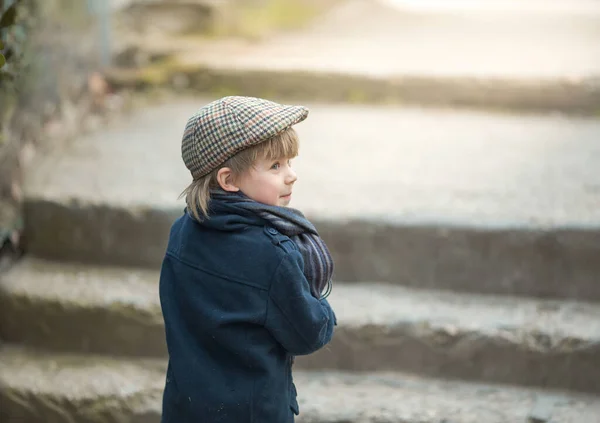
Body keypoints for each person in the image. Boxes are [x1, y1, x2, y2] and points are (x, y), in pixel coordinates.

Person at [159, 96, 337, 423]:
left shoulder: (181, 232)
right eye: (275, 166)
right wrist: (321, 304)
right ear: (229, 180)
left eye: (289, 162)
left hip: (185, 408)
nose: (291, 175)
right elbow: (308, 334)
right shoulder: (274, 253)